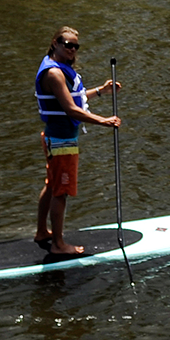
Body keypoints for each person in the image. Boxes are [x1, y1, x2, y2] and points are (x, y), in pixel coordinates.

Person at [33, 27, 120, 255]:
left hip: (55, 136)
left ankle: (42, 232)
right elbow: (71, 110)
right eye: (67, 44)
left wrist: (101, 91)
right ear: (55, 43)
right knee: (60, 191)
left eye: (75, 46)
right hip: (61, 141)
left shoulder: (58, 69)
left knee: (52, 185)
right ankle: (58, 244)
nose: (72, 49)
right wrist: (104, 121)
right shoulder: (54, 74)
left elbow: (73, 98)